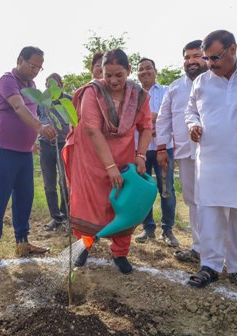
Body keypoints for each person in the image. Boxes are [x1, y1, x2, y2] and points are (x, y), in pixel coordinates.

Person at [63, 49, 153, 274]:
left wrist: (140, 155)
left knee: (123, 203)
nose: (113, 81)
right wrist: (109, 166)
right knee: (88, 203)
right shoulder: (92, 92)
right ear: (101, 72)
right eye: (108, 74)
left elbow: (146, 127)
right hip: (91, 158)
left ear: (128, 71)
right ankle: (84, 246)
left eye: (119, 75)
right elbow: (92, 130)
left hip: (123, 156)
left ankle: (120, 253)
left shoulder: (139, 95)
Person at [0, 46, 57, 263]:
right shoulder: (7, 80)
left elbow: (31, 112)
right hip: (4, 149)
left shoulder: (32, 85)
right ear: (20, 60)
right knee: (0, 197)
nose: (35, 71)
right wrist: (40, 127)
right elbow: (18, 107)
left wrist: (32, 141)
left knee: (25, 198)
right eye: (32, 65)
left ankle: (22, 242)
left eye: (39, 68)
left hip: (24, 152)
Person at [185, 30, 237, 288]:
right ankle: (209, 265)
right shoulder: (202, 82)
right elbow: (190, 111)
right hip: (209, 160)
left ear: (232, 49)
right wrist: (193, 125)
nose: (210, 64)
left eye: (215, 58)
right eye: (207, 59)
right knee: (208, 213)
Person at [156, 40, 207, 263]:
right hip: (185, 153)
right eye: (187, 57)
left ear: (207, 57)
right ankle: (199, 248)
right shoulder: (175, 87)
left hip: (215, 154)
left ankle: (228, 254)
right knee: (193, 201)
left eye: (197, 55)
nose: (191, 61)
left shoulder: (218, 83)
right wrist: (161, 147)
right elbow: (163, 119)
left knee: (218, 202)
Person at [134, 58, 178, 247]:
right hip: (140, 150)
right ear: (137, 74)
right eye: (141, 70)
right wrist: (150, 122)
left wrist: (153, 120)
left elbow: (172, 116)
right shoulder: (133, 94)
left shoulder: (167, 91)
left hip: (163, 148)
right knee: (143, 190)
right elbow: (132, 121)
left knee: (166, 190)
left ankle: (167, 230)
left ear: (155, 70)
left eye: (148, 68)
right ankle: (148, 228)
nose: (145, 72)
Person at [38, 73, 70, 231]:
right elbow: (35, 120)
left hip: (64, 144)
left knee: (64, 181)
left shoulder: (68, 100)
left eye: (53, 84)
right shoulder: (41, 102)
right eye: (47, 84)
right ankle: (55, 218)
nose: (50, 87)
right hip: (45, 145)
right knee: (49, 184)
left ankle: (66, 216)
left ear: (61, 85)